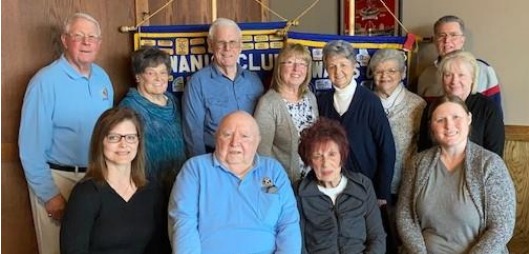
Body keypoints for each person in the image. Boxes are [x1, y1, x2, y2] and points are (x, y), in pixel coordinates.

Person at [18, 12, 113, 254]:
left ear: (100, 43)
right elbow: (30, 148)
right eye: (78, 36)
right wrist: (49, 195)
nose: (86, 42)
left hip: (96, 178)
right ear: (64, 40)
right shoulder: (45, 82)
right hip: (58, 179)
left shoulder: (103, 79)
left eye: (92, 37)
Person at [169, 111, 301, 253]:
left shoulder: (272, 171)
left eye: (244, 136)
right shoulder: (195, 170)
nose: (235, 142)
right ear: (216, 138)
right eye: (227, 135)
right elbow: (183, 224)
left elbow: (288, 224)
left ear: (257, 141)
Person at [397, 95, 515, 254]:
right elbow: (405, 217)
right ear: (431, 125)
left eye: (456, 117)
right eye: (440, 120)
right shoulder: (417, 164)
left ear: (469, 118)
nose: (449, 125)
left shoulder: (490, 165)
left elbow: (502, 227)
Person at [60, 107, 170, 253]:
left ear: (139, 142)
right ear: (100, 142)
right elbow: (73, 250)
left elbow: (160, 246)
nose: (123, 144)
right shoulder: (85, 193)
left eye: (130, 137)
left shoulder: (153, 190)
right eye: (114, 137)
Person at [318, 40, 396, 205]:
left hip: (366, 190)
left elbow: (387, 148)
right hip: (332, 189)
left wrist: (382, 192)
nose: (338, 71)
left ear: (354, 66)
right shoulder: (322, 102)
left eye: (343, 65)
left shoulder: (370, 102)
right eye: (332, 66)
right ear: (326, 70)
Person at [296, 117, 386, 254]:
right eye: (317, 156)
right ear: (309, 161)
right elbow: (298, 244)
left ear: (341, 156)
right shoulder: (299, 192)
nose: (325, 163)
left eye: (332, 154)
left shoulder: (363, 185)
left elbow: (377, 237)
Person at [369, 48, 426, 253]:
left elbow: (424, 147)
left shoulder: (418, 105)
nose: (385, 76)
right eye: (379, 71)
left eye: (392, 71)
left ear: (402, 74)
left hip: (405, 184)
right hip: (371, 185)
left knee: (401, 239)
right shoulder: (366, 102)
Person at [182, 18, 264, 157]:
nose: (227, 48)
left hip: (249, 159)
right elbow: (193, 135)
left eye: (232, 42)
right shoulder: (198, 83)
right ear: (210, 45)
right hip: (214, 158)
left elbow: (262, 128)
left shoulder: (253, 81)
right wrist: (205, 171)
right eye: (221, 42)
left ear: (240, 46)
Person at [119, 46, 186, 195]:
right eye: (151, 73)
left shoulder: (174, 101)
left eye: (163, 72)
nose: (159, 78)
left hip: (179, 185)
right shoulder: (128, 108)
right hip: (147, 188)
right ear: (138, 76)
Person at [417, 50, 504, 156]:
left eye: (461, 75)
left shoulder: (488, 108)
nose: (454, 81)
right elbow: (423, 150)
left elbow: (495, 155)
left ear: (472, 78)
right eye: (448, 75)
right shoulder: (431, 108)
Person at [254, 43, 318, 182]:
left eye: (302, 63)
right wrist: (270, 188)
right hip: (284, 184)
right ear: (279, 67)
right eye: (290, 62)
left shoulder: (310, 98)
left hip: (313, 182)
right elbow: (261, 154)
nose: (296, 68)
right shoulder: (268, 103)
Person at [417, 15, 502, 110]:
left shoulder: (483, 70)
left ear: (462, 40)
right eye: (441, 36)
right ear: (435, 41)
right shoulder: (425, 76)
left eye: (453, 35)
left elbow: (494, 113)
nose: (447, 41)